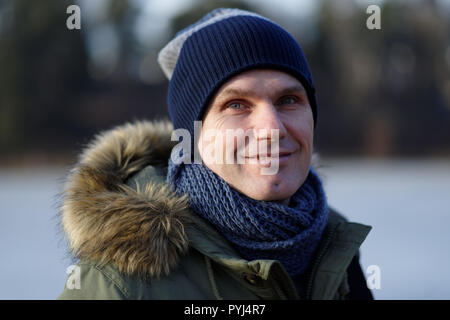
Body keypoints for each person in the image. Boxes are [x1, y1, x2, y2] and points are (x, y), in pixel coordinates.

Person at [58, 8, 373, 300]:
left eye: (288, 100)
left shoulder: (335, 248)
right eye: (236, 105)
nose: (272, 128)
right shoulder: (124, 281)